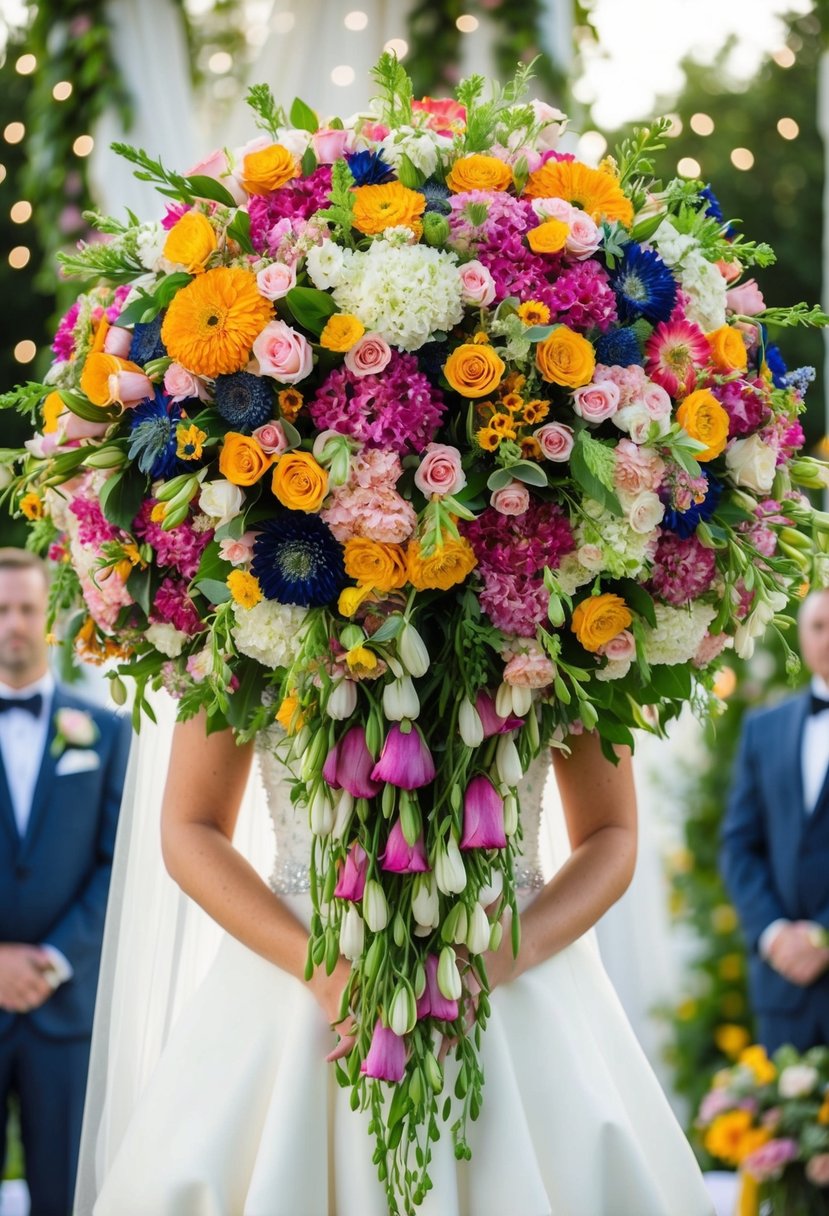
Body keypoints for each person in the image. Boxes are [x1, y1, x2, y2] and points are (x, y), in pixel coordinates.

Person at [80, 707, 715, 1216]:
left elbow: (613, 834)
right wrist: (327, 977)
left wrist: (498, 961)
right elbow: (189, 826)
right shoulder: (240, 585)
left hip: (513, 980)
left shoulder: (578, 585)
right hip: (299, 985)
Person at [0, 548, 131, 1216]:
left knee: (68, 1196)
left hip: (68, 1007)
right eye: (1, 610)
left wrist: (52, 958)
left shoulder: (108, 733)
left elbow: (120, 863)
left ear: (50, 618)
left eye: (26, 608)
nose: (13, 625)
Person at [722, 588, 829, 1054]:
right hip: (783, 993)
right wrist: (773, 934)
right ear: (802, 637)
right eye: (819, 626)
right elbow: (738, 845)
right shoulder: (762, 728)